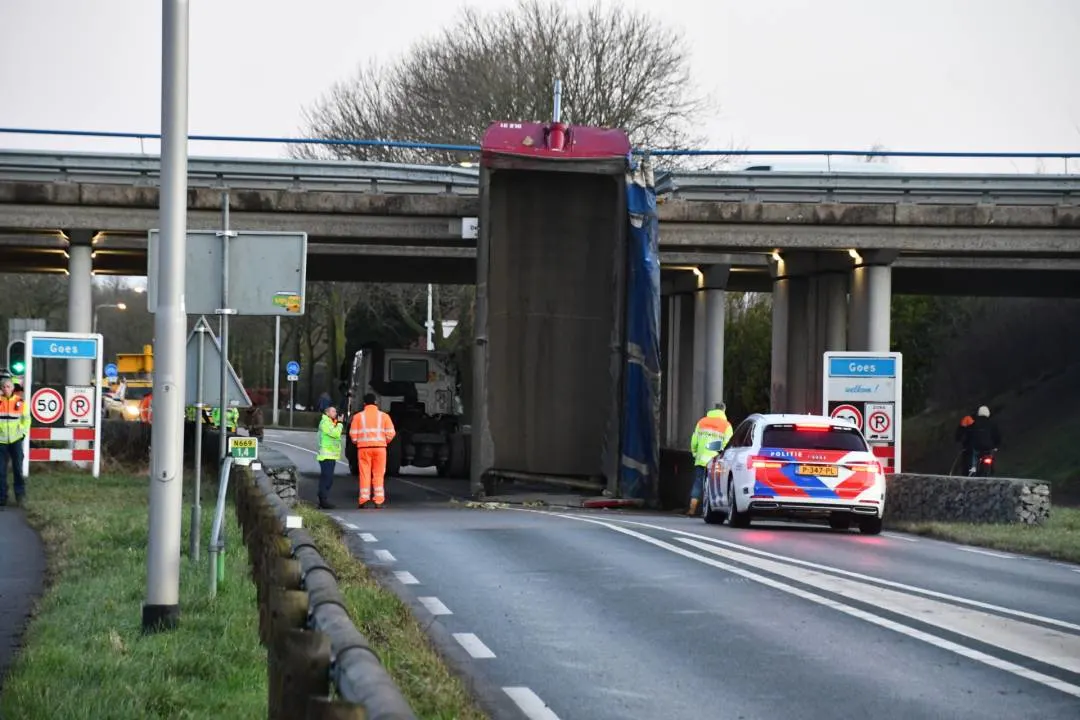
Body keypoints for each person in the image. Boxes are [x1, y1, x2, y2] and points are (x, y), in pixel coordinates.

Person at [348, 393, 396, 509]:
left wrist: (358, 442)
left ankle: (363, 499)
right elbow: (391, 433)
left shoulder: (358, 417)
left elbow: (353, 435)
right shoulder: (384, 416)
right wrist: (384, 441)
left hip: (363, 449)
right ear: (376, 402)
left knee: (365, 474)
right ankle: (378, 501)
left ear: (364, 403)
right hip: (380, 449)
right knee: (378, 474)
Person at [687, 402, 733, 516]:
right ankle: (708, 511)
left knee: (698, 483)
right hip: (715, 461)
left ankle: (692, 509)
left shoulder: (702, 422)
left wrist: (695, 453)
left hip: (701, 459)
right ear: (724, 410)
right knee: (713, 486)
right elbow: (728, 444)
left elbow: (694, 440)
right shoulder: (727, 426)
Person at [0, 375, 31, 507]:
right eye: (3, 387)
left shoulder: (20, 402)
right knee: (1, 471)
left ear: (12, 388)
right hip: (1, 441)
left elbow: (27, 419)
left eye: (8, 386)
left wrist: (23, 433)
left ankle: (20, 495)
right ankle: (2, 497)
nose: (6, 389)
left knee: (17, 469)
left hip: (16, 440)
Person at [315, 405, 343, 509]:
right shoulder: (325, 422)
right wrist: (340, 424)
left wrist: (337, 422)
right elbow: (335, 433)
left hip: (330, 455)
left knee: (329, 479)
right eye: (333, 411)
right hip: (326, 455)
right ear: (327, 413)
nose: (335, 413)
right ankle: (323, 499)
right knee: (327, 478)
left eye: (335, 411)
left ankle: (323, 498)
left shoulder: (330, 422)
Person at [961, 405, 1001, 473]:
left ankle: (973, 467)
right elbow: (997, 436)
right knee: (991, 455)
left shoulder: (974, 423)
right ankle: (992, 469)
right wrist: (996, 445)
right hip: (989, 447)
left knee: (974, 454)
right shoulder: (993, 423)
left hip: (977, 446)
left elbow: (969, 434)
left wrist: (965, 444)